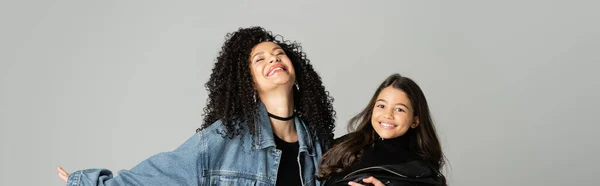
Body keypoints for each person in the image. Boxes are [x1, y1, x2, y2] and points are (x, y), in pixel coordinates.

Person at [56, 26, 336, 186]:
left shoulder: (318, 143)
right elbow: (158, 176)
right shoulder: (225, 138)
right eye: (259, 59)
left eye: (278, 54)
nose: (273, 60)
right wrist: (87, 183)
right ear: (248, 83)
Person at [317, 74, 446, 186]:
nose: (387, 115)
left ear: (415, 121)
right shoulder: (343, 147)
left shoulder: (422, 170)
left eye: (399, 109)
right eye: (381, 106)